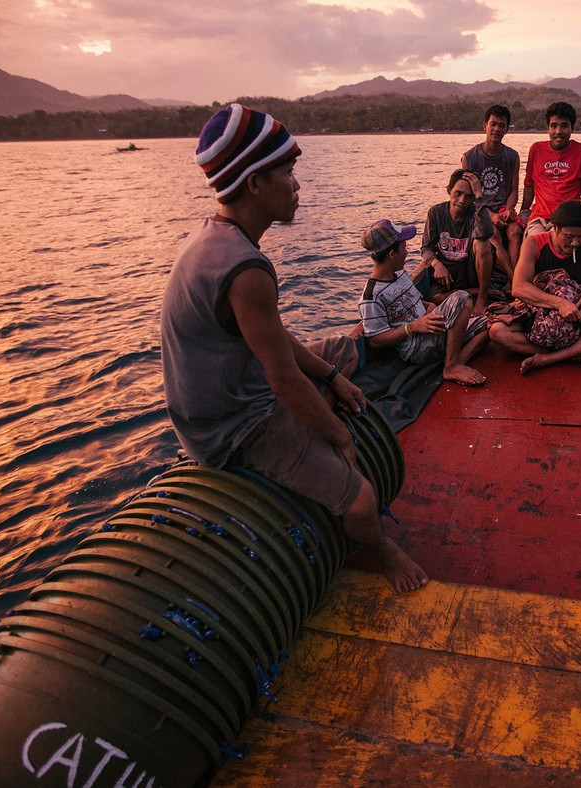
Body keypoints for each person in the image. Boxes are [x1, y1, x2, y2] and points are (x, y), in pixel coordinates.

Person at [160, 103, 427, 593]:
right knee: (362, 498)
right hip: (231, 427)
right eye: (288, 172)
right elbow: (282, 381)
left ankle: (331, 387)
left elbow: (274, 337)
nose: (298, 185)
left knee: (339, 357)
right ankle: (383, 551)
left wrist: (329, 376)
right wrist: (337, 436)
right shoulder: (247, 270)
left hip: (225, 396)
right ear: (256, 183)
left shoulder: (215, 239)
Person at [488, 200, 581, 374]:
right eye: (569, 236)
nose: (575, 243)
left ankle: (549, 358)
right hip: (539, 315)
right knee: (497, 332)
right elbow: (518, 288)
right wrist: (559, 303)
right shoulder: (534, 243)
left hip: (578, 315)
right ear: (555, 228)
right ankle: (573, 352)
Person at [360, 218, 489, 387]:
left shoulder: (400, 275)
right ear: (392, 254)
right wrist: (413, 327)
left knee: (490, 324)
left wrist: (430, 307)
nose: (406, 253)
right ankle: (451, 366)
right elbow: (375, 340)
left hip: (430, 328)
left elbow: (418, 301)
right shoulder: (372, 295)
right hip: (416, 346)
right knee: (461, 298)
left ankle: (456, 360)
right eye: (404, 248)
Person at [417, 169, 496, 315]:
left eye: (468, 196)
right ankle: (475, 291)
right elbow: (426, 247)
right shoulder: (436, 212)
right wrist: (436, 263)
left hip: (470, 270)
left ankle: (482, 295)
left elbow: (486, 233)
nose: (462, 201)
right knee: (435, 298)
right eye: (458, 193)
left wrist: (479, 195)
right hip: (449, 274)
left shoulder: (475, 212)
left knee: (482, 243)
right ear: (449, 191)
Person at [461, 105, 522, 285]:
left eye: (501, 125)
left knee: (515, 231)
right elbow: (468, 197)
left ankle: (515, 280)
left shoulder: (512, 156)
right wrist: (491, 216)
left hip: (503, 208)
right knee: (492, 234)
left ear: (507, 129)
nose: (496, 129)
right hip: (480, 210)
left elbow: (513, 190)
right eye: (493, 124)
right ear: (485, 126)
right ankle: (515, 281)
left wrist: (509, 210)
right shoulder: (470, 157)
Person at [519, 102, 581, 236]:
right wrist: (523, 213)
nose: (558, 131)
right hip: (539, 218)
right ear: (548, 128)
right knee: (534, 243)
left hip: (569, 219)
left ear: (572, 128)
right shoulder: (536, 149)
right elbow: (529, 184)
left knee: (557, 241)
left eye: (564, 126)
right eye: (554, 126)